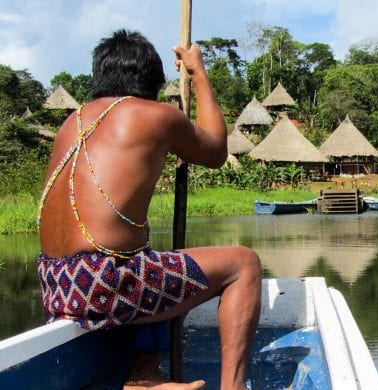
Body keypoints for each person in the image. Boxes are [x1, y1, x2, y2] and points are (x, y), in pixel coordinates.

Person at [37, 29, 261, 390]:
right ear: (153, 82)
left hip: (55, 285)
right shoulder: (155, 114)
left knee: (148, 257)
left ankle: (144, 375)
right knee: (244, 264)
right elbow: (216, 150)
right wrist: (198, 74)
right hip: (103, 282)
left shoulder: (72, 121)